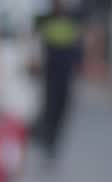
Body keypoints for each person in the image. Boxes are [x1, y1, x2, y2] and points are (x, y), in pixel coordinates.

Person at [33, 0, 83, 163]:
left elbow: (78, 46)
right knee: (50, 108)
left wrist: (79, 64)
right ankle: (46, 139)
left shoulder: (73, 19)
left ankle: (52, 141)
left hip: (65, 75)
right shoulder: (46, 20)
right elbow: (37, 43)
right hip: (50, 74)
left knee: (62, 109)